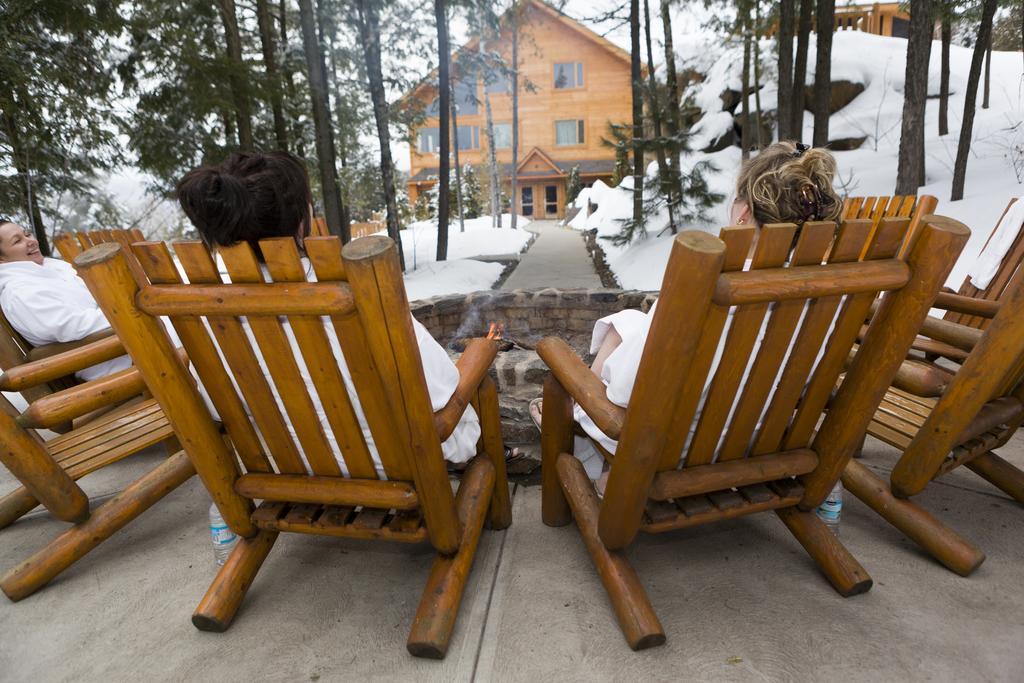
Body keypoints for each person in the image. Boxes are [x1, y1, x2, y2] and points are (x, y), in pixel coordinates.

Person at [530, 141, 844, 488]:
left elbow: (624, 391)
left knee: (614, 355)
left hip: (674, 450)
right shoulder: (835, 287)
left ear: (743, 211)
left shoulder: (709, 286)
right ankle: (587, 441)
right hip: (764, 440)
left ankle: (582, 439)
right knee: (629, 322)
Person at [175, 151, 482, 475]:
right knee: (475, 380)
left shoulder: (207, 308)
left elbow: (215, 409)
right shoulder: (355, 296)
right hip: (391, 467)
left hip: (281, 468)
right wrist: (480, 354)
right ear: (299, 220)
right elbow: (441, 391)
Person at [0, 219, 131, 381]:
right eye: (17, 241)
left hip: (127, 345)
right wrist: (128, 310)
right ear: (2, 260)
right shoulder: (20, 293)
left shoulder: (50, 269)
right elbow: (72, 327)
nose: (32, 241)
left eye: (27, 234)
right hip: (114, 361)